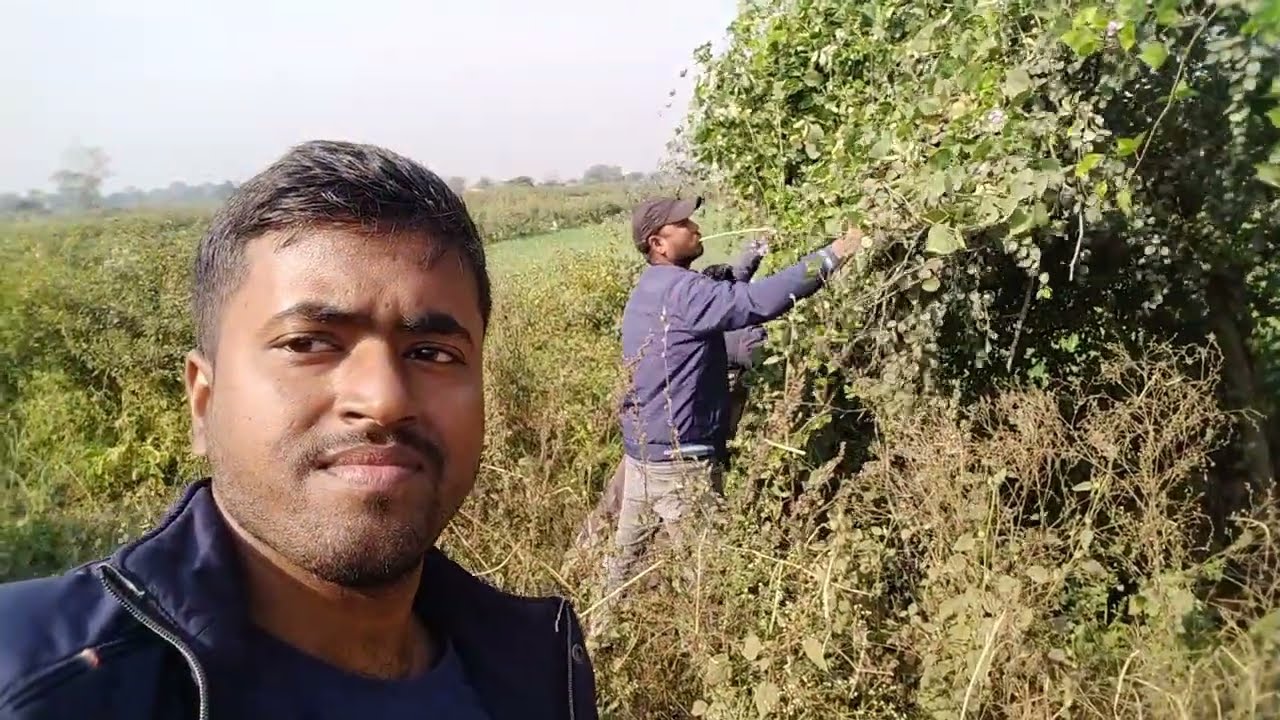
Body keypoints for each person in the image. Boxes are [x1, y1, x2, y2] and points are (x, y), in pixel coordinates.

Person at [0, 141, 597, 720]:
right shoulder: (38, 680)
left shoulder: (535, 665)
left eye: (432, 353)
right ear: (203, 400)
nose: (384, 400)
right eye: (307, 344)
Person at [603, 195, 859, 595]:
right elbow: (755, 303)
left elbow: (720, 296)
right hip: (680, 462)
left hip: (643, 454)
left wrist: (751, 258)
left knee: (620, 569)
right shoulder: (684, 292)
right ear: (658, 243)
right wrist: (832, 255)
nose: (696, 228)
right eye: (684, 224)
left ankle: (591, 637)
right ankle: (712, 645)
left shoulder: (654, 287)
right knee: (711, 574)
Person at [570, 246, 768, 551]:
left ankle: (585, 552)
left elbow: (730, 287)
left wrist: (752, 256)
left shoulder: (681, 308)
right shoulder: (738, 335)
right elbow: (754, 337)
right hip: (686, 442)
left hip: (648, 434)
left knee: (618, 502)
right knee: (690, 540)